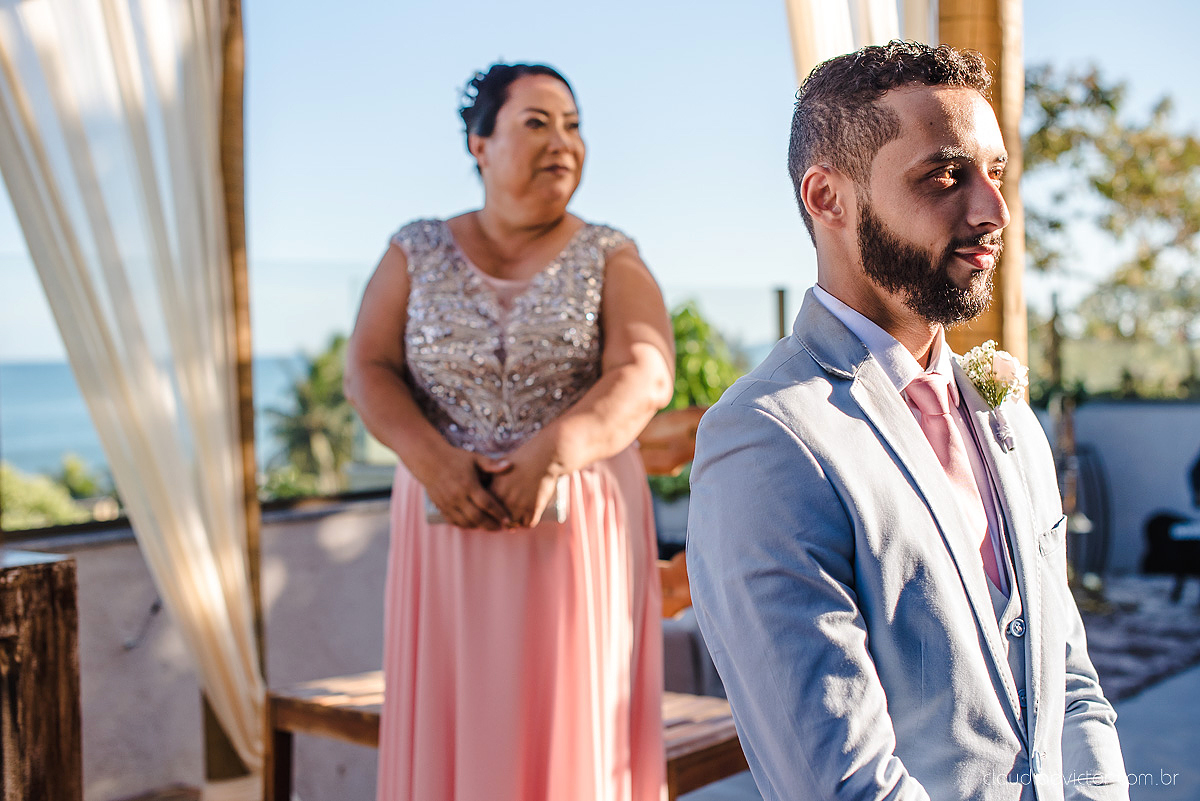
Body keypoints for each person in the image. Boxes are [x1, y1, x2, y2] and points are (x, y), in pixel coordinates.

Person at [687, 42, 1128, 800]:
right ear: (828, 198)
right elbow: (843, 779)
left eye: (996, 173)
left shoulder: (1006, 412)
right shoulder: (766, 436)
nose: (994, 211)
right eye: (946, 175)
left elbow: (1072, 684)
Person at [345, 63, 673, 800]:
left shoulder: (611, 254)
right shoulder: (414, 249)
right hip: (441, 519)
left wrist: (557, 451)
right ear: (479, 142)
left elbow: (645, 372)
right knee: (454, 720)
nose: (563, 140)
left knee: (572, 725)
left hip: (575, 526)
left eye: (573, 124)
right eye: (536, 122)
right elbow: (366, 367)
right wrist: (432, 460)